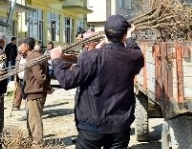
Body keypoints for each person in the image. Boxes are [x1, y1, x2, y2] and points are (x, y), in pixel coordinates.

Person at [50, 15, 144, 149]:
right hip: (119, 127)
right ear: (124, 36)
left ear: (105, 34)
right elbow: (135, 50)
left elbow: (67, 81)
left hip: (92, 127)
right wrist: (129, 37)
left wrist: (56, 60)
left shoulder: (91, 57)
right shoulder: (133, 57)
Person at [24, 37, 52, 146]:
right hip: (36, 91)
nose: (20, 47)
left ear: (27, 46)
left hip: (35, 92)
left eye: (22, 44)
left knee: (35, 119)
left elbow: (40, 76)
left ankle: (37, 142)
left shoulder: (33, 57)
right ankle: (33, 139)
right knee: (32, 118)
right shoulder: (38, 55)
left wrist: (46, 86)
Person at [13, 38, 34, 119]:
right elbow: (16, 67)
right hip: (20, 79)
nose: (21, 52)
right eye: (19, 51)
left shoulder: (30, 57)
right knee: (23, 95)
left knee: (27, 97)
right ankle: (25, 112)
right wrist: (15, 77)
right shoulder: (19, 57)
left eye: (22, 50)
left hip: (27, 80)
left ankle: (27, 114)